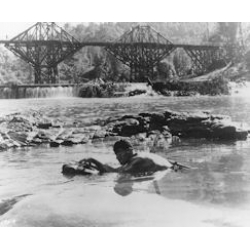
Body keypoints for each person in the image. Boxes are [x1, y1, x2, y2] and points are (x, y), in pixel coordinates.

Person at [76, 139, 175, 175]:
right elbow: (173, 163)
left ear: (129, 151)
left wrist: (93, 160)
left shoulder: (137, 160)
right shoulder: (143, 155)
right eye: (116, 155)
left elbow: (118, 172)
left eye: (119, 154)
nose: (117, 158)